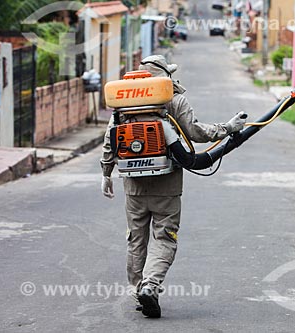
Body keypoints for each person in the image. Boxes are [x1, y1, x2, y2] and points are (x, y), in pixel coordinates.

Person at [100, 55, 246, 318]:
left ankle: (137, 289)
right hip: (166, 185)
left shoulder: (124, 104)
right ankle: (150, 286)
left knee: (136, 238)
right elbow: (196, 132)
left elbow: (111, 139)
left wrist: (106, 173)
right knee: (165, 237)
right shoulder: (173, 99)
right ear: (166, 74)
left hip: (133, 186)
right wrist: (228, 128)